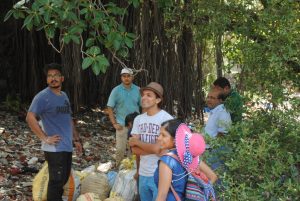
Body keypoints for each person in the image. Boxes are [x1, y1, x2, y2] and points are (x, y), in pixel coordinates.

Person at [26, 63, 82, 201]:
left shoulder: (64, 96)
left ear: (62, 78)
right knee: (56, 182)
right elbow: (30, 117)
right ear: (46, 79)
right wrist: (45, 138)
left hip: (66, 146)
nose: (53, 78)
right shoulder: (43, 96)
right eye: (50, 76)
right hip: (54, 148)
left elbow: (68, 119)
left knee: (62, 181)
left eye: (56, 75)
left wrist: (76, 140)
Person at [129, 82, 173, 201]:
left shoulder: (166, 119)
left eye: (149, 95)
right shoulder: (138, 119)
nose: (144, 97)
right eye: (143, 95)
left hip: (160, 174)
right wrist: (153, 148)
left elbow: (158, 149)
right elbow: (134, 150)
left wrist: (138, 143)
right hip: (143, 173)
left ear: (158, 100)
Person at [155, 119, 217, 201]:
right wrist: (201, 193)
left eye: (163, 135)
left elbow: (161, 197)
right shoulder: (192, 158)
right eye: (159, 134)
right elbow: (213, 176)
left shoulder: (167, 161)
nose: (158, 138)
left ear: (174, 140)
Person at [107, 68, 141, 166]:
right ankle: (118, 169)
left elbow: (143, 106)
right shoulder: (116, 90)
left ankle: (131, 171)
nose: (126, 78)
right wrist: (114, 123)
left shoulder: (138, 90)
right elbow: (110, 107)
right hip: (121, 125)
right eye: (124, 76)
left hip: (135, 126)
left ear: (132, 77)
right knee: (120, 150)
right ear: (121, 78)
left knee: (133, 150)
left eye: (128, 76)